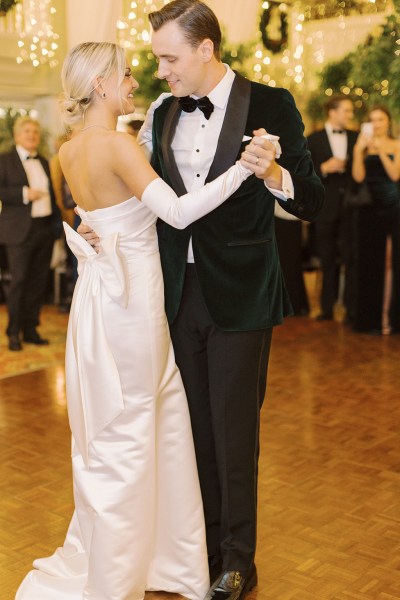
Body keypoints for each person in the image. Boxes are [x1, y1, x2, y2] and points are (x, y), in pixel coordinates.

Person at [78, 3, 323, 599]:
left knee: (234, 431)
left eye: (169, 58)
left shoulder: (272, 103)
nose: (160, 71)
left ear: (205, 48)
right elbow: (145, 197)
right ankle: (202, 553)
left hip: (240, 297)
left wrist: (273, 175)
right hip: (172, 297)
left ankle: (239, 560)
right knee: (191, 434)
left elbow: (313, 200)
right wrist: (100, 228)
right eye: (158, 59)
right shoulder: (160, 114)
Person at [15, 41, 255, 600]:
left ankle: (152, 556)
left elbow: (88, 215)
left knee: (136, 417)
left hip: (100, 295)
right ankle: (138, 565)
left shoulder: (69, 149)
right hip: (134, 297)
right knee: (141, 421)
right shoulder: (118, 144)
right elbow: (173, 211)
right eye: (124, 73)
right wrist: (240, 172)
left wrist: (98, 230)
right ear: (100, 84)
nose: (134, 78)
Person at [0, 116, 62, 351]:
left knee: (38, 283)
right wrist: (25, 193)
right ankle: (13, 332)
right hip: (18, 232)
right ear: (17, 135)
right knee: (19, 283)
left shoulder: (44, 162)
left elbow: (53, 196)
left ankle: (30, 329)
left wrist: (57, 228)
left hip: (44, 229)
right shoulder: (4, 160)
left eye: (35, 131)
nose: (32, 135)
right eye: (26, 131)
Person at [307, 95, 358, 322]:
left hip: (351, 206)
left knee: (350, 257)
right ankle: (326, 308)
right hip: (325, 207)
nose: (350, 115)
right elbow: (304, 172)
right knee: (327, 258)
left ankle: (349, 308)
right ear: (333, 112)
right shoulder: (313, 139)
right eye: (346, 110)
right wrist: (324, 168)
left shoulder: (357, 138)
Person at [351, 105, 400, 335]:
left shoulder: (397, 143)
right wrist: (359, 150)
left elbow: (395, 175)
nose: (377, 124)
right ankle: (371, 318)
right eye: (373, 120)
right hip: (369, 209)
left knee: (392, 261)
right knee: (370, 261)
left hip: (393, 207)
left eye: (381, 119)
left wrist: (380, 150)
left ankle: (390, 315)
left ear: (388, 122)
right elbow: (358, 177)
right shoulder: (362, 146)